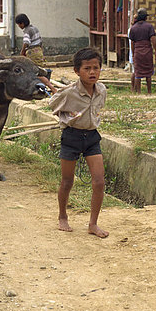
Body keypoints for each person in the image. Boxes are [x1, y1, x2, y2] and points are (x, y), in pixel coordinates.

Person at [48, 47, 109, 238]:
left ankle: (93, 224)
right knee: (67, 181)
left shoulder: (101, 91)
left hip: (91, 138)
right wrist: (69, 116)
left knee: (99, 182)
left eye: (96, 68)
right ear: (77, 71)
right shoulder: (69, 93)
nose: (92, 72)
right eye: (87, 68)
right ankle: (62, 216)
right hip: (71, 137)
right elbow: (53, 105)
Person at [15, 13, 58, 93]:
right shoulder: (35, 28)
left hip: (32, 52)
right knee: (38, 70)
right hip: (38, 51)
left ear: (22, 23)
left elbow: (26, 42)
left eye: (19, 25)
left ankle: (52, 88)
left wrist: (22, 52)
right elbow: (40, 41)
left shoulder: (27, 31)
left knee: (36, 72)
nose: (19, 26)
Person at [129, 8, 156, 94]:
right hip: (147, 51)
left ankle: (139, 92)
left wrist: (134, 54)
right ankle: (149, 92)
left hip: (137, 51)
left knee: (138, 72)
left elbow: (132, 43)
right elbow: (153, 40)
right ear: (146, 17)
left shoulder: (133, 28)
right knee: (148, 72)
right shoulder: (149, 26)